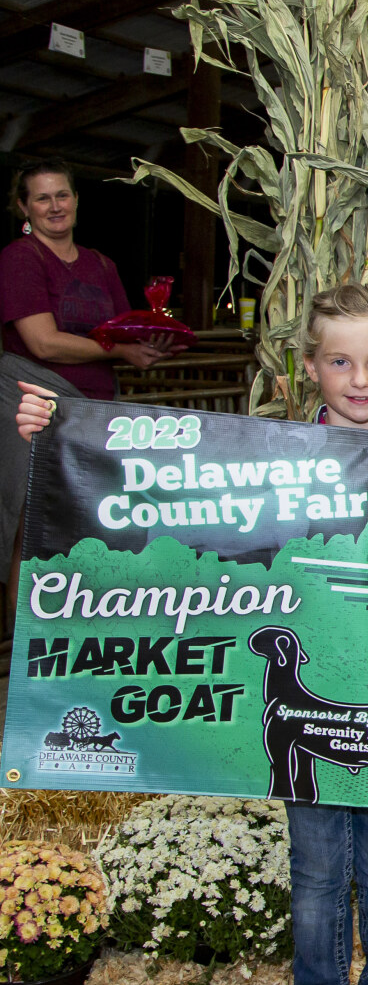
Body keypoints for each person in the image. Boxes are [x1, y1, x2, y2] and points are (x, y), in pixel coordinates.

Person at [15, 285, 368, 985]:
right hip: (299, 696)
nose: (358, 379)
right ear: (308, 367)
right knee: (316, 864)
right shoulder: (262, 463)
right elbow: (153, 478)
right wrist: (55, 433)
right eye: (339, 361)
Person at [2, 161, 179, 632]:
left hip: (97, 408)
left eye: (62, 195)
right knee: (31, 522)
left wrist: (150, 344)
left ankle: (76, 637)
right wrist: (120, 350)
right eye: (42, 198)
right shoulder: (21, 258)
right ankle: (24, 644)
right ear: (23, 207)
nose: (54, 206)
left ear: (77, 201)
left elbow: (123, 332)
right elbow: (43, 342)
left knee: (90, 521)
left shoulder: (102, 265)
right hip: (34, 399)